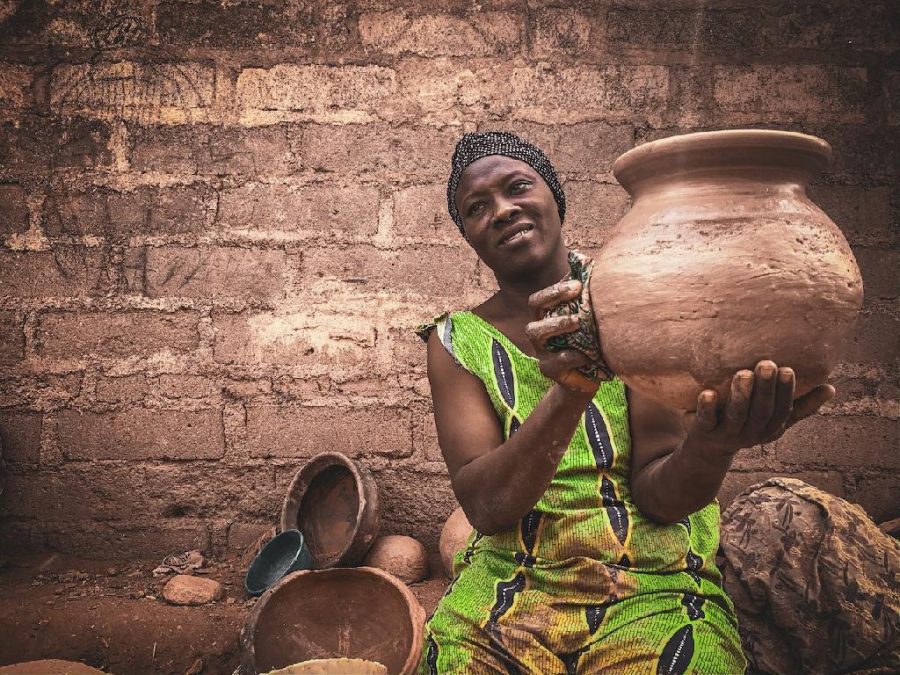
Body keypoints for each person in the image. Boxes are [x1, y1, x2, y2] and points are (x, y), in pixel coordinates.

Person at [416, 132, 835, 674]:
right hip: (515, 582)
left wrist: (712, 445)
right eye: (477, 208)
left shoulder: (637, 301)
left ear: (554, 196)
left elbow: (660, 495)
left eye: (518, 186)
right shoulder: (454, 342)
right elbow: (486, 508)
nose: (502, 210)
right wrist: (570, 391)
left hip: (650, 583)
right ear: (467, 236)